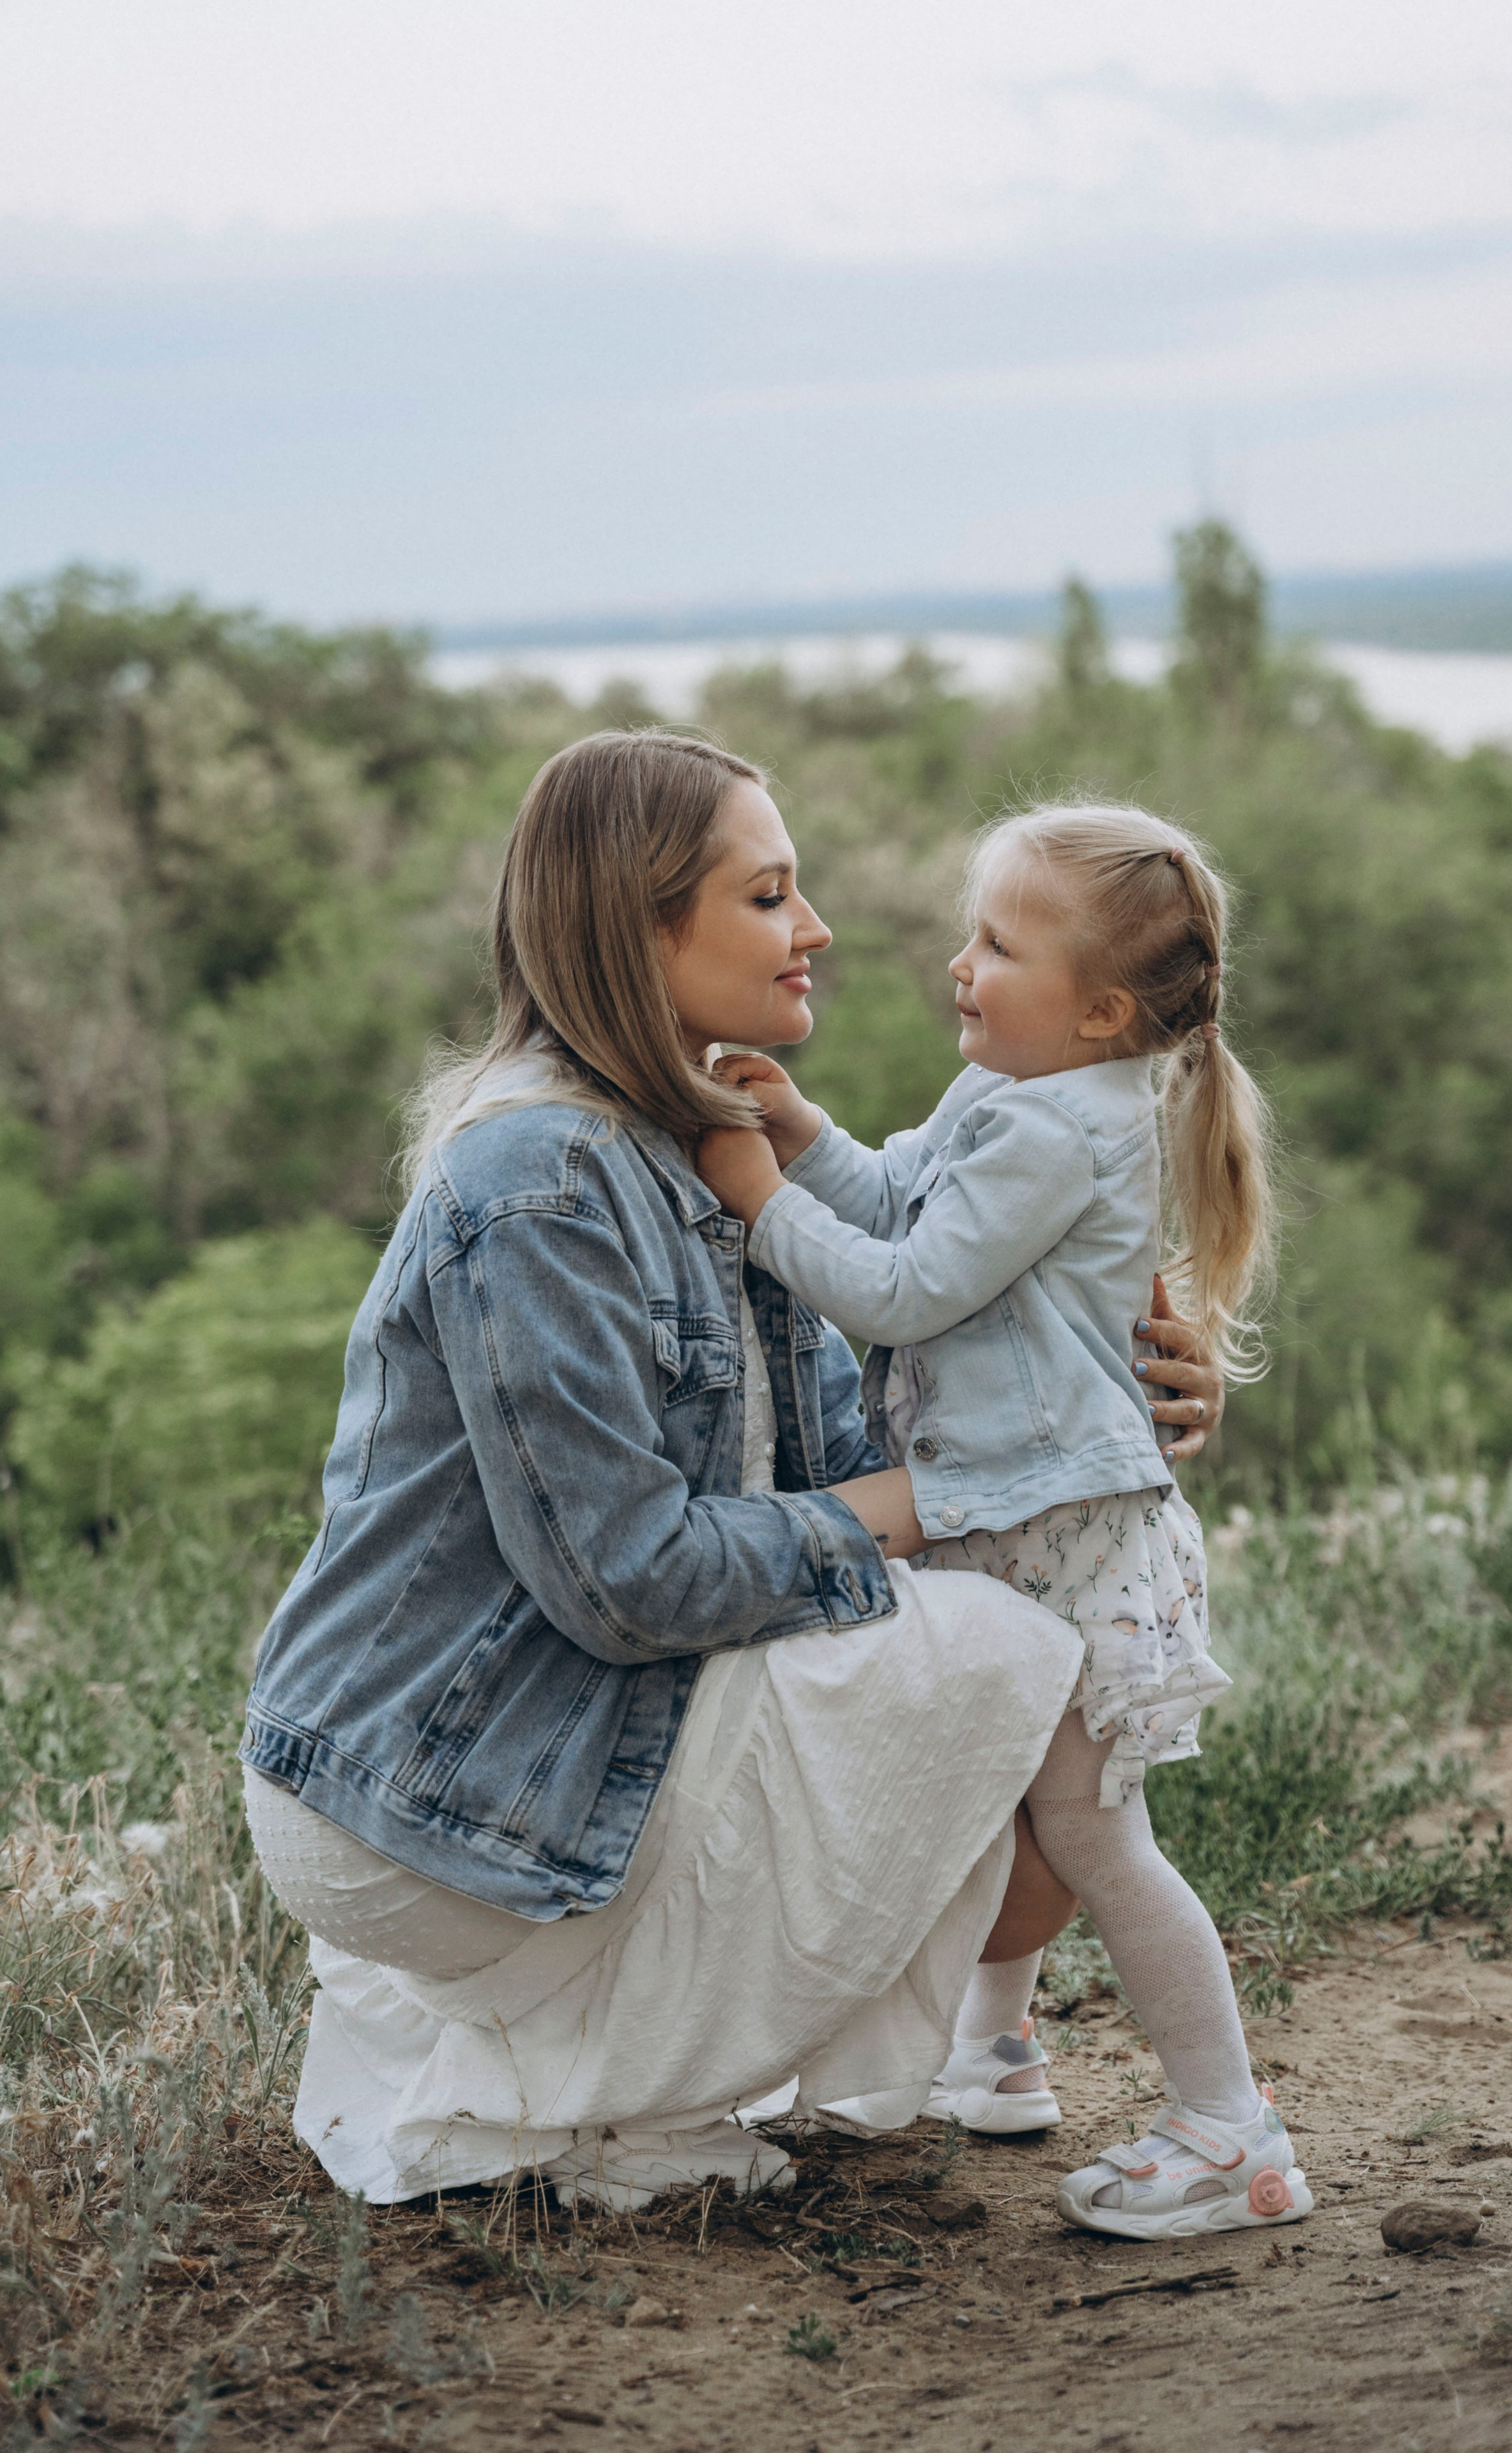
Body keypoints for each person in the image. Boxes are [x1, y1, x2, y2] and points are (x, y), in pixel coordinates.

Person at [237, 732, 1226, 2214]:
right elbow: (631, 1581)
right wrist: (943, 1499)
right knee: (994, 1650)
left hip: (527, 1737)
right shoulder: (542, 1183)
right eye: (769, 895)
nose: (816, 929)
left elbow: (834, 1438)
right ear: (641, 931)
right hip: (432, 1790)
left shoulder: (694, 1133)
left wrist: (1107, 1406)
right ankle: (631, 2061)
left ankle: (671, 2039)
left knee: (1021, 1734)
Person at [697, 800, 1315, 2239]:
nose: (959, 967)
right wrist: (803, 1131)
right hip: (1010, 1508)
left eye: (997, 946)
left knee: (1097, 1837)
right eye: (970, 937)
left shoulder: (1064, 1126)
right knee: (1004, 1787)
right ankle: (995, 2051)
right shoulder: (1010, 1093)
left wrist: (755, 1191)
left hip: (1065, 1530)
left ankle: (1229, 2130)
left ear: (1100, 1011)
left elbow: (906, 1290)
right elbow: (906, 1195)